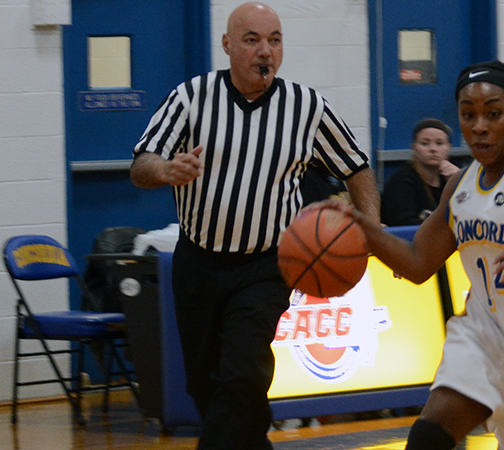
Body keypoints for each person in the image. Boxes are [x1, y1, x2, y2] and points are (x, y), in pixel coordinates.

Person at [312, 60, 504, 450]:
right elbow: (417, 263)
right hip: (486, 334)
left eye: (493, 114)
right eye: (468, 115)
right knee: (429, 436)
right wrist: (361, 226)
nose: (479, 126)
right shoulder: (460, 184)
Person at [129, 3, 379, 449]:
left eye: (274, 40)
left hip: (266, 265)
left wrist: (373, 232)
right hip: (198, 262)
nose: (265, 51)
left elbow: (357, 168)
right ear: (227, 45)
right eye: (252, 40)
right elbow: (141, 163)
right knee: (207, 386)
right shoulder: (191, 97)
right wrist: (165, 169)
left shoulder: (306, 106)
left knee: (244, 372)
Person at [381, 118, 462, 226]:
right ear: (414, 148)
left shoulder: (451, 177)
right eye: (425, 144)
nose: (433, 149)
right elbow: (402, 223)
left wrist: (461, 183)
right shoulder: (401, 181)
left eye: (439, 143)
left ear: (449, 148)